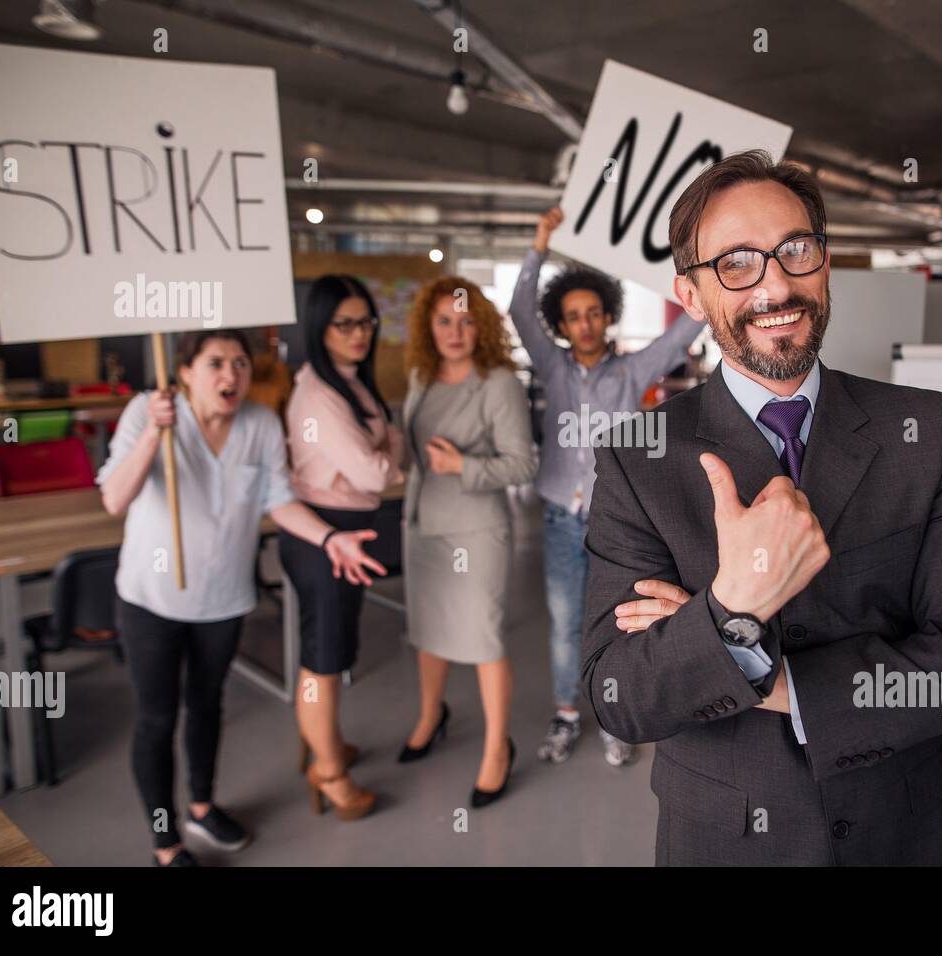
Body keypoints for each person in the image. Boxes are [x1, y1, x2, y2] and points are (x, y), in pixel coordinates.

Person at [581, 150, 942, 865]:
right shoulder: (638, 459)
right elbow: (618, 695)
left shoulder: (926, 430)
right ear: (690, 297)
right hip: (724, 840)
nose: (776, 285)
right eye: (735, 263)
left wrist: (760, 671)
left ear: (825, 262)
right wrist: (732, 604)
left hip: (901, 831)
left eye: (796, 250)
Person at [99, 329, 385, 866]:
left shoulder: (256, 424)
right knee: (157, 719)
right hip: (151, 598)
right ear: (184, 372)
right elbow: (115, 498)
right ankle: (166, 841)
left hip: (224, 600)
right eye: (214, 363)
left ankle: (203, 807)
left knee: (207, 707)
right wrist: (151, 436)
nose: (230, 375)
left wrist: (329, 536)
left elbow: (279, 499)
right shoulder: (148, 410)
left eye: (240, 364)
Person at [510, 208, 706, 766]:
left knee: (618, 622)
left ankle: (614, 716)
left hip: (617, 524)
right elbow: (520, 311)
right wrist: (540, 243)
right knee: (565, 619)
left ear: (607, 316)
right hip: (557, 516)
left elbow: (685, 331)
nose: (586, 323)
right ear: (562, 324)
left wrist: (699, 270)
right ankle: (568, 714)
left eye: (594, 312)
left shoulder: (633, 372)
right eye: (574, 316)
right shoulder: (551, 367)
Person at [398, 277, 538, 806]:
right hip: (420, 522)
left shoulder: (498, 382)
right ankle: (432, 715)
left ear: (480, 326)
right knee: (427, 631)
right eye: (443, 321)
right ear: (427, 326)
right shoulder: (421, 375)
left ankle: (496, 746)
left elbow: (522, 463)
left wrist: (463, 465)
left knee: (483, 639)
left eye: (464, 320)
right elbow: (412, 447)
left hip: (475, 530)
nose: (454, 332)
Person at [280, 275, 403, 822]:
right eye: (344, 324)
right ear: (320, 329)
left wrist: (385, 445)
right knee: (322, 660)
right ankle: (328, 771)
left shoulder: (349, 381)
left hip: (347, 528)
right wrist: (391, 445)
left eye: (365, 322)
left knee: (334, 651)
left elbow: (378, 456)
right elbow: (376, 470)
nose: (359, 334)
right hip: (324, 534)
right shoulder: (319, 395)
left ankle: (323, 743)